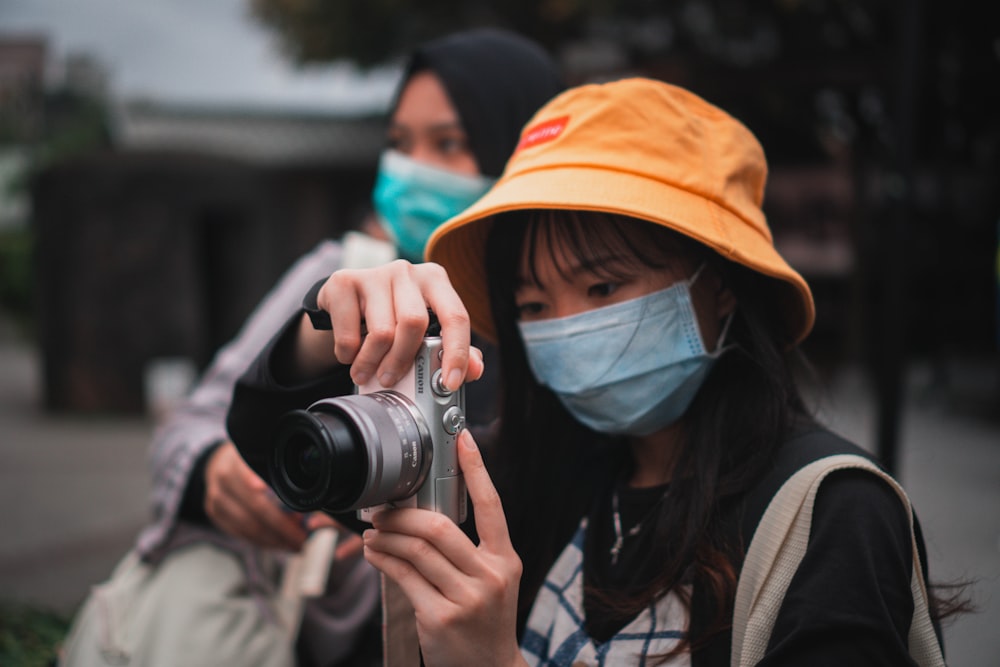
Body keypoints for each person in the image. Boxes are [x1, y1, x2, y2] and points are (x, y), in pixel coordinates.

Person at [226, 78, 961, 666]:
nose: (568, 325)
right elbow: (276, 444)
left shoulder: (827, 514)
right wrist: (328, 324)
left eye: (604, 288)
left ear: (724, 284)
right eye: (534, 303)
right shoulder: (531, 476)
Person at [59, 28, 564, 667]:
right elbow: (197, 421)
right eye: (399, 144)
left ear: (519, 150)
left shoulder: (551, 312)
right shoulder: (343, 274)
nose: (411, 170)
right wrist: (217, 468)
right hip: (294, 626)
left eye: (450, 143)